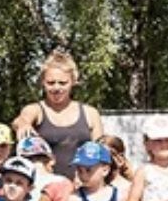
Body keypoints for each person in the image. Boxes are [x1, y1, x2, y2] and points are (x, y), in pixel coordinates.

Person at [11, 50, 104, 180]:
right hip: (44, 188)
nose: (56, 88)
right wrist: (23, 125)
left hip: (81, 187)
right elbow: (21, 120)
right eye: (51, 83)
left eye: (62, 83)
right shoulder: (36, 110)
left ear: (73, 81)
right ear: (43, 82)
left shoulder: (90, 113)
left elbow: (100, 153)